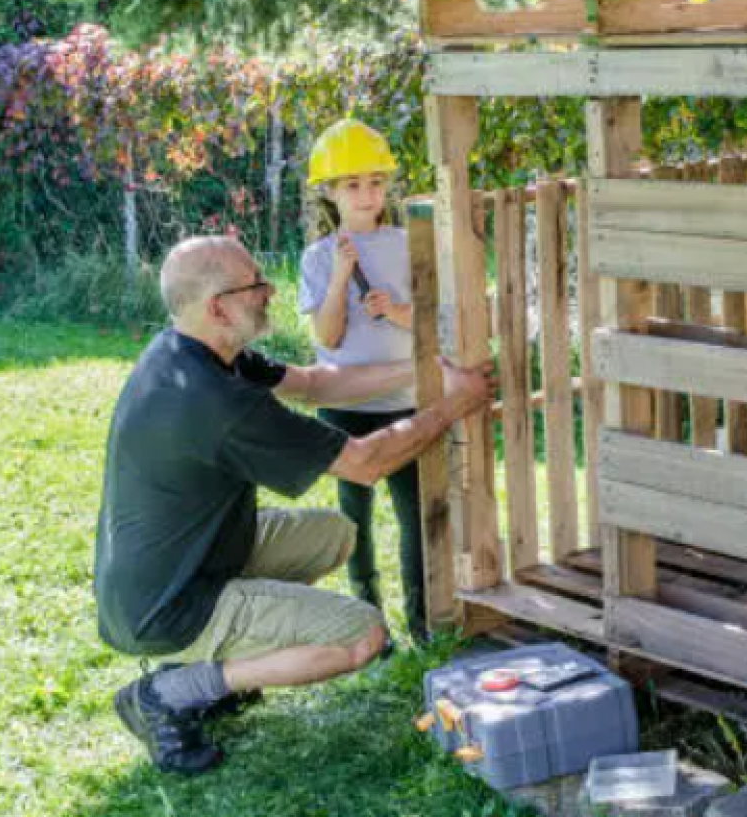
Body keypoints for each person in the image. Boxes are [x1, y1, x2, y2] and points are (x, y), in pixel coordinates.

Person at [93, 234, 491, 775]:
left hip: (175, 569)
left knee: (334, 533)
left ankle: (225, 660)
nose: (269, 291)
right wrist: (452, 406)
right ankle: (171, 690)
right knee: (362, 634)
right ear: (217, 307)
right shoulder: (213, 401)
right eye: (255, 284)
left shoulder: (192, 351)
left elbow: (313, 383)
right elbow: (364, 462)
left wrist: (423, 374)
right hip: (168, 608)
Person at [297, 118, 427, 641]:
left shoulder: (408, 243)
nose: (367, 194)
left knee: (414, 518)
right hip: (345, 408)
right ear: (330, 193)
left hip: (405, 404)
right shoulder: (318, 257)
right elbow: (327, 337)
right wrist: (340, 279)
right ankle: (369, 621)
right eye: (352, 184)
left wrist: (396, 313)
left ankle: (422, 623)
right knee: (355, 522)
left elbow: (436, 321)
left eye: (375, 182)